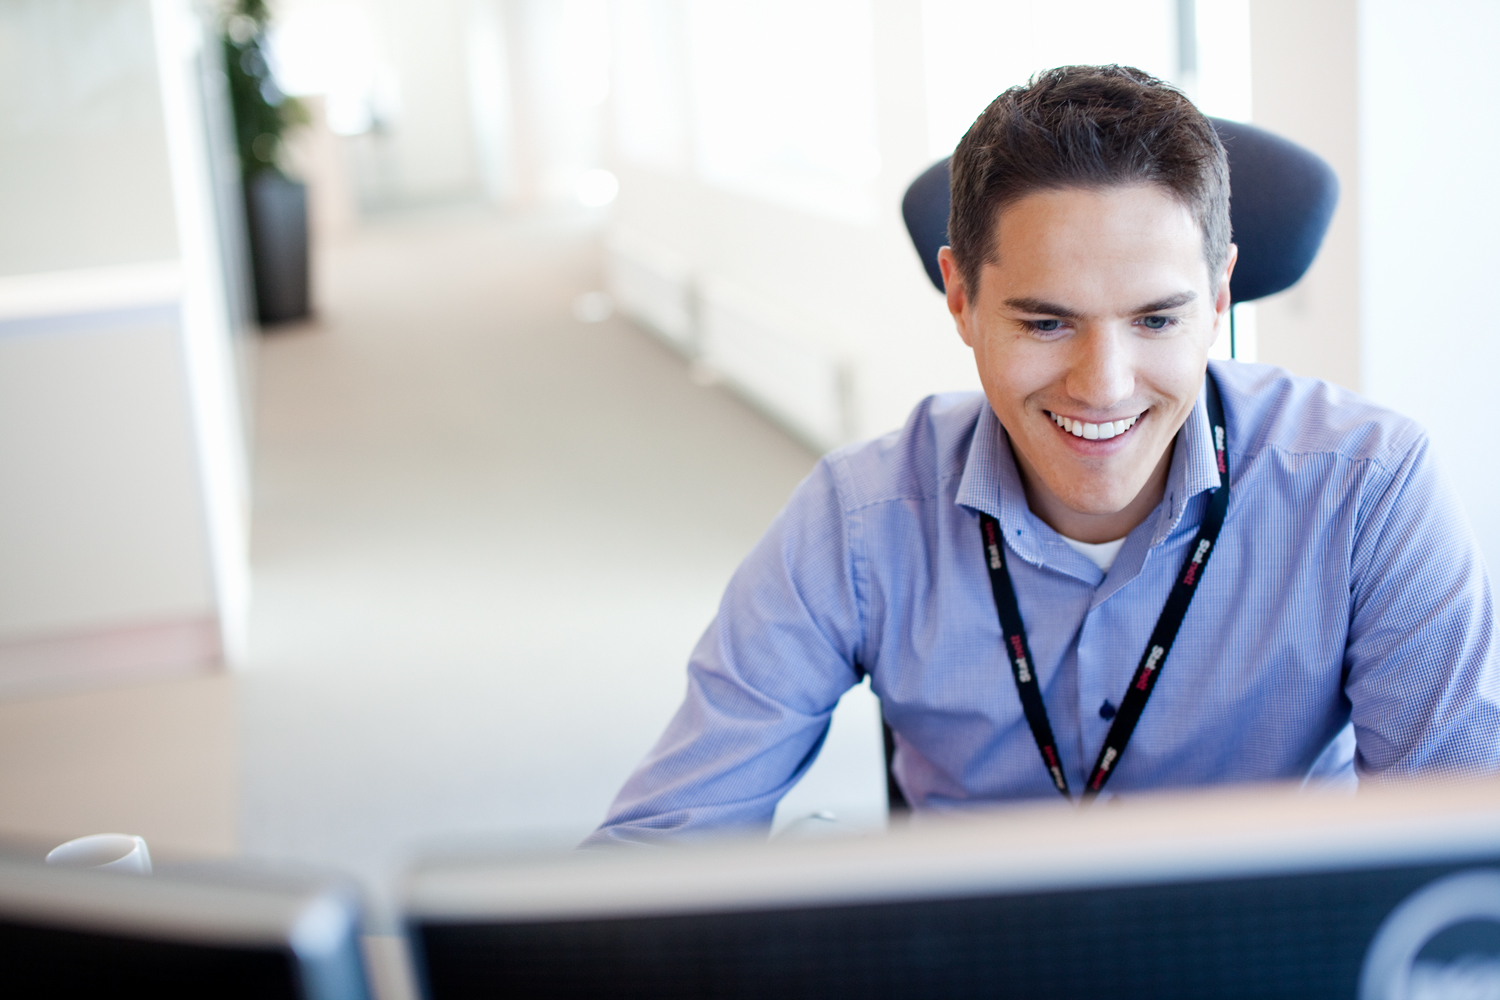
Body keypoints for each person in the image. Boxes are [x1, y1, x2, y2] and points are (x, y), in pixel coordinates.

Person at [585, 65, 1500, 845]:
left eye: (1156, 318)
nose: (1102, 386)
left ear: (1219, 294)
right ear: (960, 297)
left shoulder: (1366, 490)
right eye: (1046, 321)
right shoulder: (860, 519)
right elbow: (665, 847)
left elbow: (1464, 858)